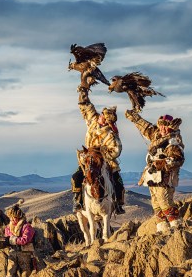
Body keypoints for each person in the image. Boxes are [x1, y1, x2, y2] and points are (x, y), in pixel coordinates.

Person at [125, 110, 185, 233]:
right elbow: (144, 126)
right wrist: (134, 117)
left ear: (171, 126)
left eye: (166, 125)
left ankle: (176, 225)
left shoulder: (174, 139)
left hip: (166, 176)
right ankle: (162, 228)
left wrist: (159, 164)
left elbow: (178, 159)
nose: (163, 127)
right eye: (161, 124)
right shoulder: (156, 134)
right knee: (156, 203)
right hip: (153, 176)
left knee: (164, 200)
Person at [71, 83, 126, 214]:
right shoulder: (93, 121)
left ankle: (118, 204)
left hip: (105, 161)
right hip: (88, 158)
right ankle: (78, 201)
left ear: (108, 122)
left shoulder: (111, 135)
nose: (101, 117)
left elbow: (117, 151)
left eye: (105, 118)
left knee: (118, 182)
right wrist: (84, 90)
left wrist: (102, 155)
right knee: (76, 177)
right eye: (102, 115)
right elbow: (86, 107)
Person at [4, 205, 37, 277]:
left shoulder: (27, 227)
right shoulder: (8, 228)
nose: (12, 219)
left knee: (26, 275)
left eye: (14, 217)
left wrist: (13, 240)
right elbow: (7, 238)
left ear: (18, 217)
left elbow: (25, 240)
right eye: (10, 217)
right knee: (9, 275)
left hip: (25, 254)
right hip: (12, 253)